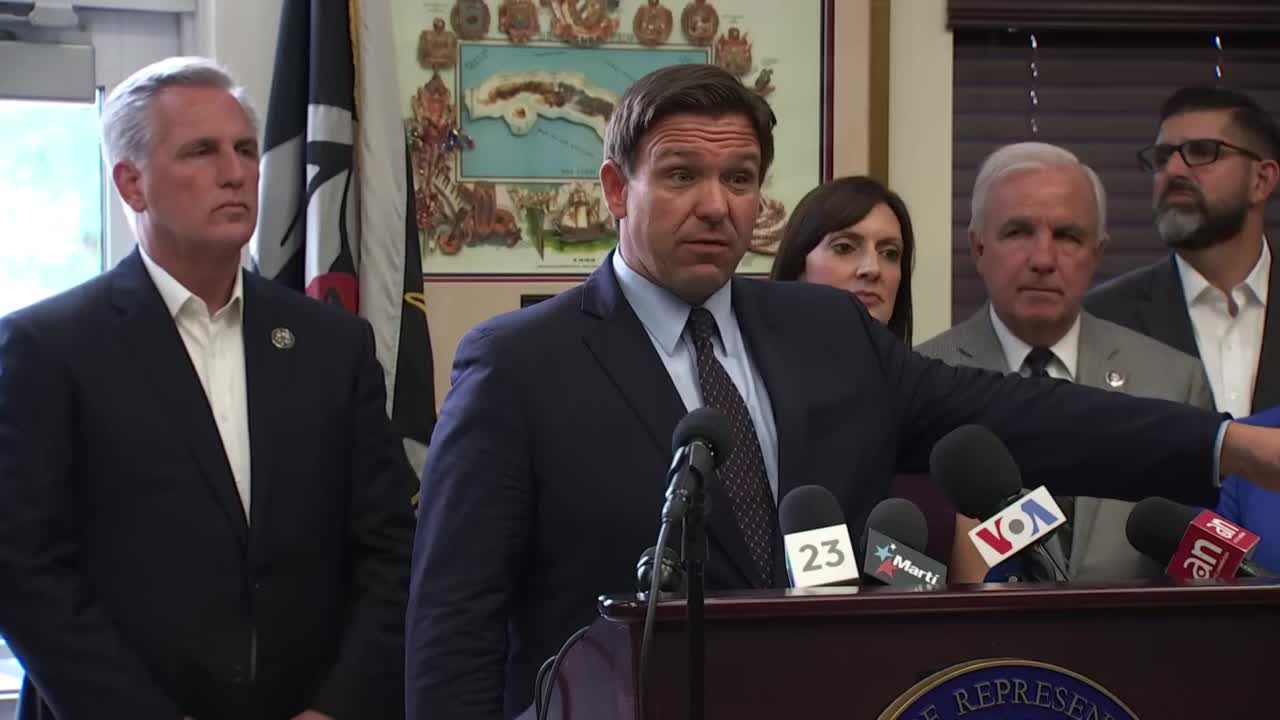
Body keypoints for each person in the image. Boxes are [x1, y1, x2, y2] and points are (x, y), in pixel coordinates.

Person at [407, 63, 1280, 720]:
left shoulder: (825, 333)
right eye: (680, 176)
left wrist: (1225, 444)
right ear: (612, 191)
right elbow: (454, 624)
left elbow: (1021, 412)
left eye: (740, 179)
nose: (717, 204)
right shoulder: (519, 364)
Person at [0, 57, 415, 720]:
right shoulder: (49, 348)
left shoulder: (331, 345)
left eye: (246, 150)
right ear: (132, 184)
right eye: (201, 151)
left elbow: (390, 546)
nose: (235, 172)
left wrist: (337, 705)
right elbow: (26, 575)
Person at [918, 142, 1214, 583]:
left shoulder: (1173, 381)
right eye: (1018, 232)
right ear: (977, 247)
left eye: (1068, 236)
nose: (1043, 260)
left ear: (1097, 253)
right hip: (983, 646)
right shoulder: (923, 377)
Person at [1087, 86, 1280, 419]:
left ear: (1261, 180)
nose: (1173, 172)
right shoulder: (1102, 319)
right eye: (1162, 158)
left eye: (1202, 151)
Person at [770, 176, 914, 342]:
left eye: (890, 253)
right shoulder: (746, 364)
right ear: (799, 266)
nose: (873, 268)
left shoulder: (928, 363)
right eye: (844, 248)